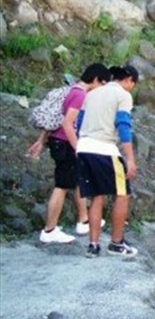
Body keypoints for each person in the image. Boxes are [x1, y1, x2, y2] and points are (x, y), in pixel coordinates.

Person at [32, 63, 111, 244]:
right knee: (61, 186)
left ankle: (83, 221)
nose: (101, 89)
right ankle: (49, 230)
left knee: (75, 181)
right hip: (65, 143)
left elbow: (57, 118)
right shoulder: (79, 95)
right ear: (96, 79)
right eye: (102, 84)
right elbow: (67, 123)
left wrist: (41, 140)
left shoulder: (73, 90)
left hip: (59, 141)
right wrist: (78, 148)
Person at [75, 64, 140, 258]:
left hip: (84, 147)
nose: (132, 88)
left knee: (97, 195)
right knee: (122, 193)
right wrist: (130, 158)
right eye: (133, 84)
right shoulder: (123, 95)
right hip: (104, 150)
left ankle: (93, 245)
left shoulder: (91, 94)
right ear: (129, 80)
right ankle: (116, 243)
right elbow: (123, 125)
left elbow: (79, 122)